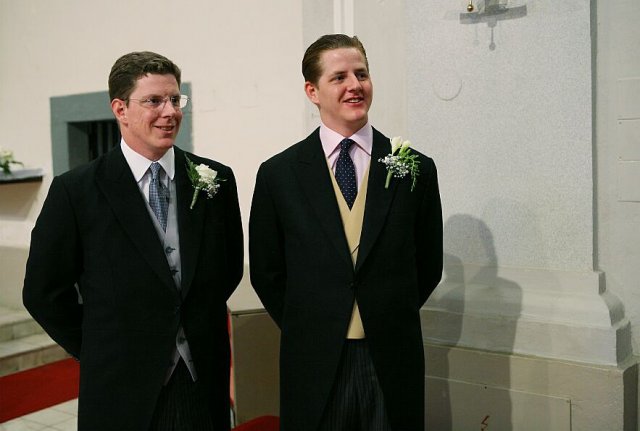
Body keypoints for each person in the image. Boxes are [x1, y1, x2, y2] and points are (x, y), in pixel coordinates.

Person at [22, 51, 243, 430]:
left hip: (201, 379)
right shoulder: (76, 191)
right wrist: (98, 347)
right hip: (120, 386)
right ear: (120, 109)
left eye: (175, 99)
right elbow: (44, 292)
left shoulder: (215, 180)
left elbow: (229, 268)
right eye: (154, 101)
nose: (170, 112)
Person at [249, 34, 443, 431]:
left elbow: (428, 264)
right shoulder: (278, 175)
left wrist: (386, 311)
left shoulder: (416, 169)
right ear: (312, 91)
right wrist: (313, 322)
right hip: (314, 358)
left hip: (391, 356)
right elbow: (268, 272)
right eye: (339, 77)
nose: (355, 85)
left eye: (362, 74)